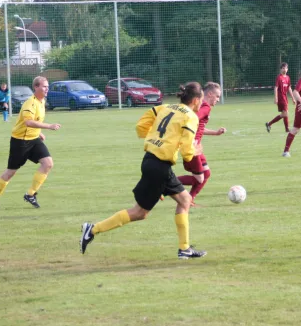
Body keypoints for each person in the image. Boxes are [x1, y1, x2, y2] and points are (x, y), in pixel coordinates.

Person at [80, 82, 207, 260]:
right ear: (195, 100)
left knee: (184, 200)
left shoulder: (165, 107)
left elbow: (142, 124)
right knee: (140, 212)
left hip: (151, 160)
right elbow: (187, 152)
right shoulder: (191, 117)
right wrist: (195, 152)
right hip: (160, 166)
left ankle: (184, 248)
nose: (201, 103)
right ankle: (92, 229)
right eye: (201, 100)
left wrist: (152, 138)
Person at [0, 76, 61, 210]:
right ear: (36, 87)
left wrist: (38, 133)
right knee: (10, 172)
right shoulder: (30, 103)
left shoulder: (41, 101)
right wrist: (48, 126)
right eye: (44, 86)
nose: (47, 89)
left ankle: (31, 194)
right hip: (20, 141)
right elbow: (28, 122)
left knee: (48, 163)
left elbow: (34, 122)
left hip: (33, 139)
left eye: (47, 86)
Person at [177, 82, 226, 206]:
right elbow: (193, 118)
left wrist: (215, 133)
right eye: (217, 96)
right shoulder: (205, 107)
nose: (218, 100)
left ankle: (190, 199)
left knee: (206, 173)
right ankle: (165, 183)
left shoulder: (200, 105)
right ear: (209, 94)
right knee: (199, 178)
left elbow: (198, 125)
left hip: (195, 146)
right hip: (192, 147)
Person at [265, 62, 294, 133]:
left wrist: (293, 98)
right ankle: (270, 124)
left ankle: (270, 124)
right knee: (285, 113)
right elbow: (276, 88)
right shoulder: (279, 77)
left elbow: (289, 88)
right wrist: (276, 98)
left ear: (287, 69)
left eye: (286, 68)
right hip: (281, 98)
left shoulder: (288, 78)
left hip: (285, 97)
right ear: (280, 69)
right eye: (283, 68)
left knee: (285, 113)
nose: (285, 69)